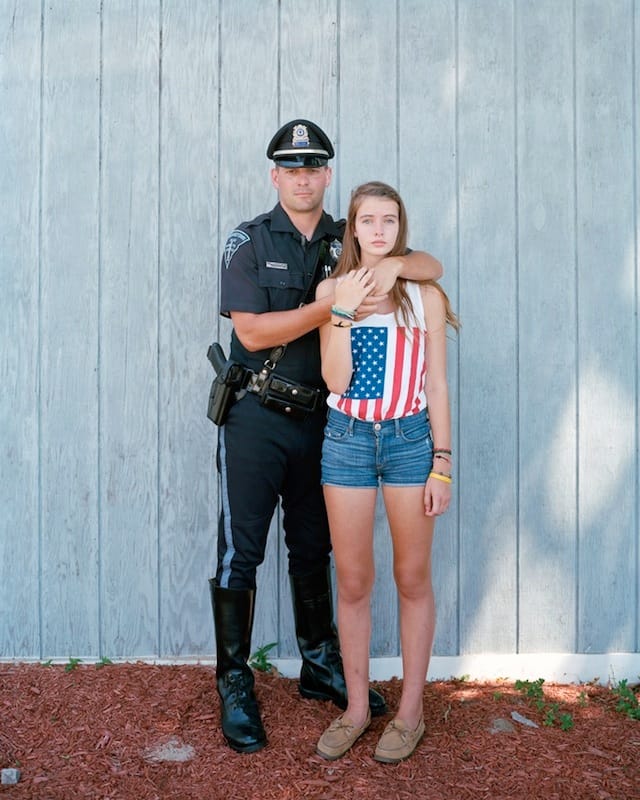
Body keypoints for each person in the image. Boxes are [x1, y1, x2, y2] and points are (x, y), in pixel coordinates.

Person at [210, 121, 443, 754]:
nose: (304, 176)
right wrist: (333, 302)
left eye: (315, 166)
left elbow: (426, 265)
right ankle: (234, 682)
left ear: (328, 175)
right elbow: (254, 333)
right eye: (292, 167)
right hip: (257, 416)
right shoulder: (249, 240)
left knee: (315, 549)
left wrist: (392, 267)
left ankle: (320, 666)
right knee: (242, 551)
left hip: (326, 421)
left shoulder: (349, 235)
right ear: (275, 175)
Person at [314, 181, 459, 764]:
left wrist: (441, 464)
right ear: (351, 228)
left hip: (408, 441)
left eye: (389, 220)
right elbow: (336, 381)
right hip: (347, 440)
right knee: (352, 581)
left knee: (411, 576)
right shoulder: (332, 289)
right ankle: (355, 708)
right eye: (367, 220)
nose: (378, 229)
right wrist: (343, 313)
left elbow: (436, 383)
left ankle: (410, 712)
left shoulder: (423, 292)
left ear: (400, 229)